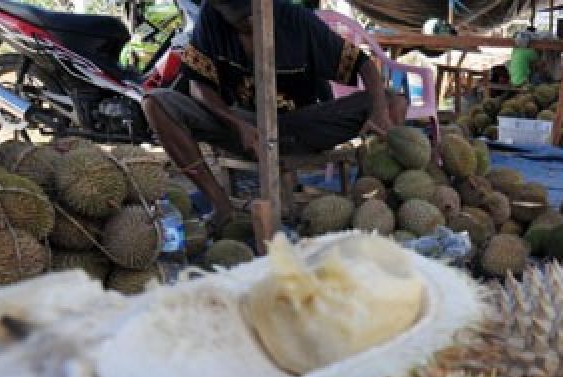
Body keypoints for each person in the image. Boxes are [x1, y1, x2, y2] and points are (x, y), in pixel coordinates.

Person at [142, 0, 408, 228]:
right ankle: (221, 205)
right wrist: (235, 123)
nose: (248, 25)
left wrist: (378, 111)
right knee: (157, 103)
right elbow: (198, 84)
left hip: (302, 125)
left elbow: (363, 65)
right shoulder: (212, 18)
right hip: (244, 126)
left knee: (393, 101)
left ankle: (376, 206)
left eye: (251, 16)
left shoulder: (297, 20)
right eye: (239, 23)